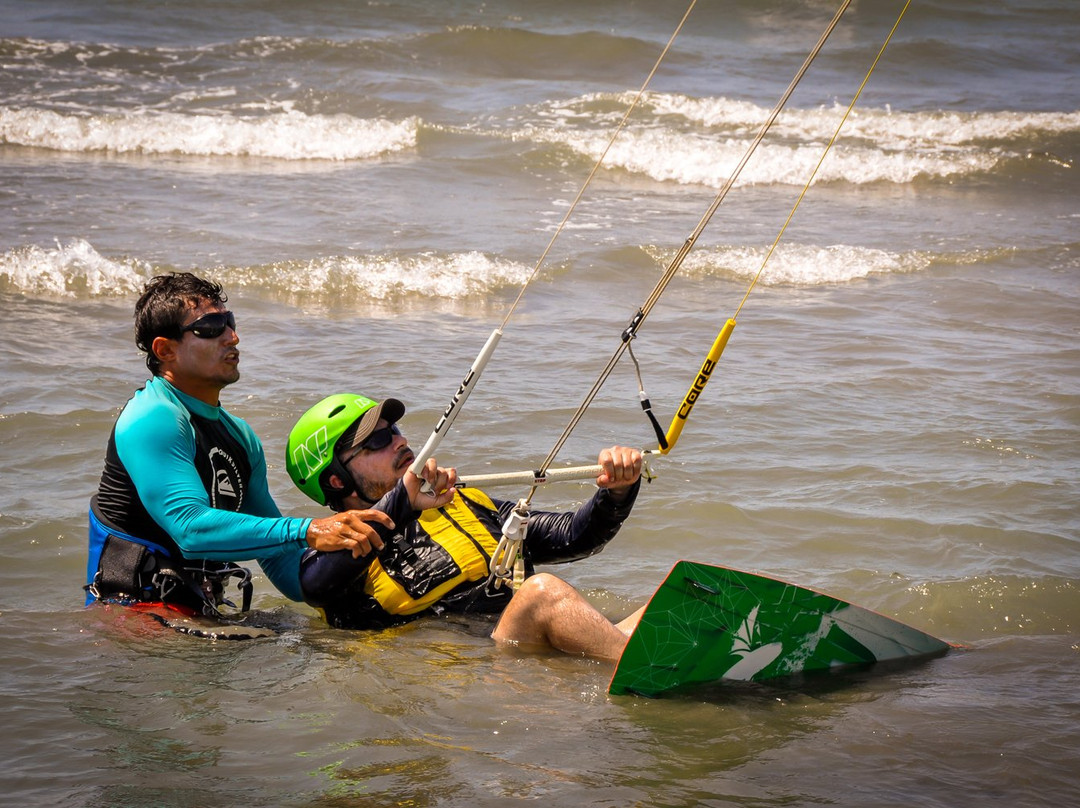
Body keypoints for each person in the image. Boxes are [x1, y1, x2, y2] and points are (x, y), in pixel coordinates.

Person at [86, 273, 391, 618]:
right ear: (165, 349)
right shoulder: (153, 417)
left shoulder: (240, 438)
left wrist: (394, 509)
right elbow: (190, 529)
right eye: (211, 327)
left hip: (199, 616)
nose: (233, 336)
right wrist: (309, 530)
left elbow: (293, 576)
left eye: (229, 322)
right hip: (133, 618)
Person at [286, 393, 647, 661]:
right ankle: (642, 669)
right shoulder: (334, 551)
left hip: (532, 651)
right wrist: (403, 503)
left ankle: (646, 664)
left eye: (394, 430)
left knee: (673, 602)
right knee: (541, 593)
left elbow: (574, 536)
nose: (401, 441)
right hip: (477, 674)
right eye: (378, 441)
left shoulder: (464, 500)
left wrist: (616, 491)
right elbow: (314, 587)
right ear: (336, 480)